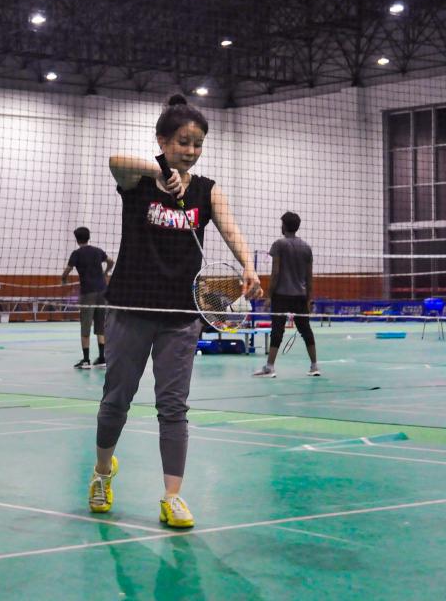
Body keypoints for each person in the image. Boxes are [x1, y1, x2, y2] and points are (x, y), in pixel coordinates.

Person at [88, 95, 261, 528]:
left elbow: (230, 227)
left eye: (198, 144)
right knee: (116, 400)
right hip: (131, 307)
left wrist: (248, 264)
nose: (191, 151)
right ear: (162, 141)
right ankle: (103, 472)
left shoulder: (206, 190)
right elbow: (114, 161)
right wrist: (160, 174)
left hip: (181, 314)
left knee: (173, 407)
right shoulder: (139, 182)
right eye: (183, 142)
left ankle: (172, 497)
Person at [252, 212, 319, 378]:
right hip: (300, 297)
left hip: (281, 295)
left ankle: (270, 367)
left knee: (277, 330)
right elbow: (309, 277)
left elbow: (275, 273)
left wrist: (269, 296)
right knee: (306, 330)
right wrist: (309, 299)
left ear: (285, 226)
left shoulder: (279, 245)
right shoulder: (306, 247)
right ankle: (314, 366)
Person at [62, 227, 114, 369]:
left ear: (77, 239)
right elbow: (111, 261)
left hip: (88, 293)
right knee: (100, 325)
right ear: (88, 237)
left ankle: (86, 360)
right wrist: (106, 272)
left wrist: (63, 278)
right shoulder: (97, 251)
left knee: (85, 325)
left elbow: (68, 269)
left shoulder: (76, 254)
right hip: (102, 291)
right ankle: (102, 358)